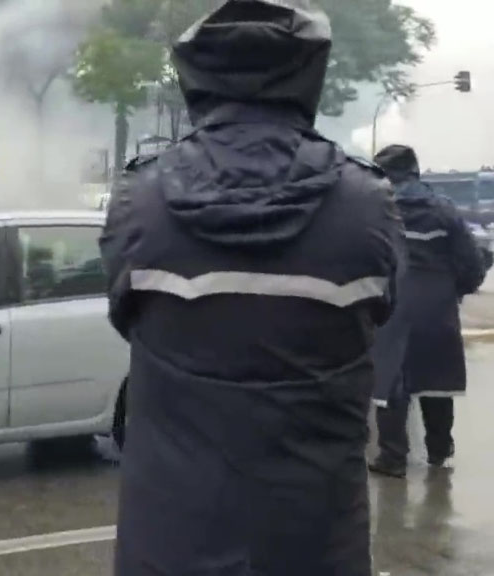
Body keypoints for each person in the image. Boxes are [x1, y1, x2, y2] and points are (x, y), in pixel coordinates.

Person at [100, 1, 403, 575]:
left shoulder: (140, 199)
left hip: (170, 538)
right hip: (316, 540)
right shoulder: (367, 204)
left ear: (198, 80)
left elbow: (127, 318)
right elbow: (382, 311)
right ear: (308, 76)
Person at [369, 144, 486, 479]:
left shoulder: (377, 209)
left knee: (393, 379)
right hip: (437, 305)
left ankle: (392, 458)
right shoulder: (444, 210)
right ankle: (438, 448)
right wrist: (452, 292)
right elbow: (471, 263)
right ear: (415, 170)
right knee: (436, 378)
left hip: (392, 302)